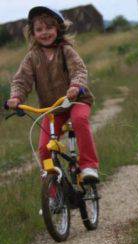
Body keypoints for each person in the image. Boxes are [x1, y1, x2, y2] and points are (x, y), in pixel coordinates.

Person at [6, 6, 99, 183]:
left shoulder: (66, 51)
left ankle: (89, 166)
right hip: (53, 109)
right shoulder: (32, 57)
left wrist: (75, 86)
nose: (44, 33)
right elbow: (21, 80)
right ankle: (54, 196)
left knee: (79, 120)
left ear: (58, 29)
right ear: (33, 34)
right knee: (43, 148)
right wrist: (16, 97)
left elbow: (79, 70)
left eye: (49, 28)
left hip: (76, 101)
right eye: (39, 29)